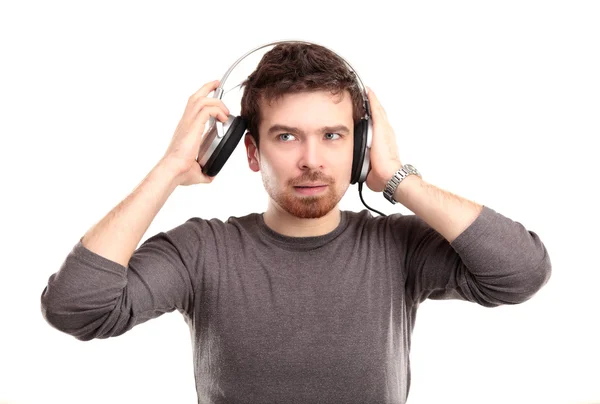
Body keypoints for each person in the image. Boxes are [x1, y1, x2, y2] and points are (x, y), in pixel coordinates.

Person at [40, 43, 552, 404]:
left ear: (359, 148)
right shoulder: (202, 249)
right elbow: (75, 309)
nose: (312, 160)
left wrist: (398, 178)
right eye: (287, 137)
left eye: (332, 136)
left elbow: (521, 274)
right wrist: (170, 169)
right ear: (252, 151)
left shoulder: (399, 247)